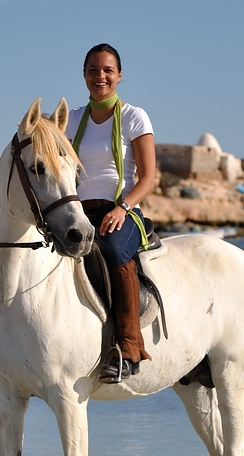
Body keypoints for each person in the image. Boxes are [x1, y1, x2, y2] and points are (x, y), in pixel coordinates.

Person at [64, 43, 157, 383]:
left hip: (122, 209)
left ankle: (130, 348)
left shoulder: (134, 116)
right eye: (92, 70)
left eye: (107, 70)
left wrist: (123, 208)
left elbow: (148, 177)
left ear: (119, 75)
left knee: (116, 249)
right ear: (84, 75)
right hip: (79, 210)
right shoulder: (72, 119)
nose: (99, 76)